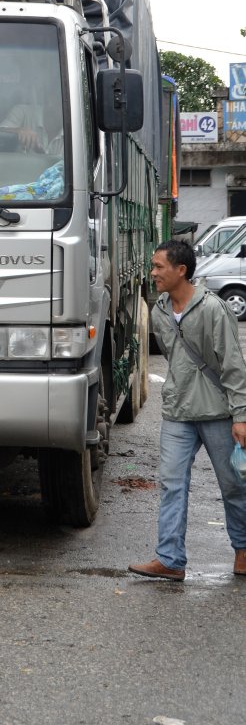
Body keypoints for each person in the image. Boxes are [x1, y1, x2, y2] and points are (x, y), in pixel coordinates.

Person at [128, 239, 246, 580]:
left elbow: (233, 366)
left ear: (182, 270)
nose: (153, 273)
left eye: (159, 267)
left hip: (217, 412)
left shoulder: (212, 308)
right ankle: (170, 560)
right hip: (178, 411)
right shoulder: (160, 309)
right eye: (153, 266)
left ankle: (242, 550)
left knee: (234, 485)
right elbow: (173, 356)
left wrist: (241, 417)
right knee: (171, 484)